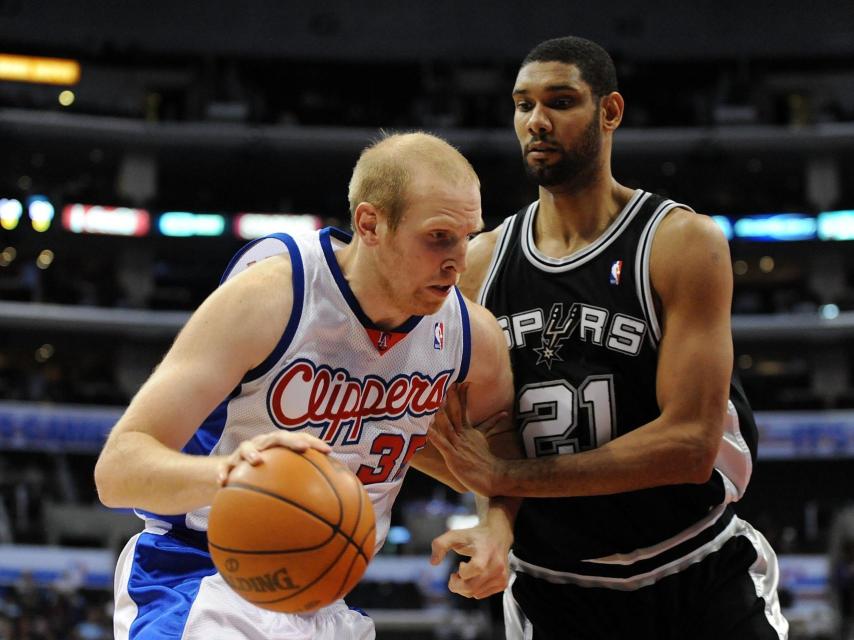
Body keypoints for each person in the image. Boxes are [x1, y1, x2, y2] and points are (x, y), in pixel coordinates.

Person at [429, 36, 790, 639]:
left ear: (610, 111)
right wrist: (495, 523)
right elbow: (487, 434)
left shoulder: (680, 242)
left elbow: (688, 446)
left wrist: (504, 480)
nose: (536, 122)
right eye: (522, 105)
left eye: (560, 101)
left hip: (694, 571)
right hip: (555, 591)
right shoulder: (480, 264)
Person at [93, 131, 514, 640]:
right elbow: (117, 470)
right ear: (370, 223)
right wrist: (237, 477)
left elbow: (505, 451)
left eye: (468, 237)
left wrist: (498, 523)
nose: (459, 261)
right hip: (204, 577)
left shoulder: (472, 337)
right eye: (439, 237)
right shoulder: (273, 296)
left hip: (327, 595)